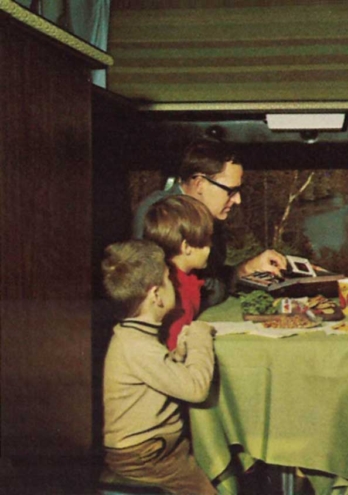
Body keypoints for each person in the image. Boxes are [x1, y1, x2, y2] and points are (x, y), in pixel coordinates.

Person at [101, 239, 217, 494]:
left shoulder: (133, 335)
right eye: (169, 279)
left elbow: (157, 374)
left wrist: (178, 354)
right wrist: (199, 335)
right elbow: (197, 389)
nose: (175, 285)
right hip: (147, 457)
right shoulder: (136, 346)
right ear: (156, 295)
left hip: (152, 450)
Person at [132, 139, 287, 308]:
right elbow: (198, 293)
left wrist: (246, 269)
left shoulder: (208, 215)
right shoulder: (158, 215)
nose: (238, 200)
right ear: (200, 184)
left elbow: (211, 278)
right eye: (230, 191)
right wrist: (222, 285)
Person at [143, 195, 213, 351]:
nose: (211, 246)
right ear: (186, 247)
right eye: (206, 240)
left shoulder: (185, 279)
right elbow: (174, 348)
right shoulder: (176, 294)